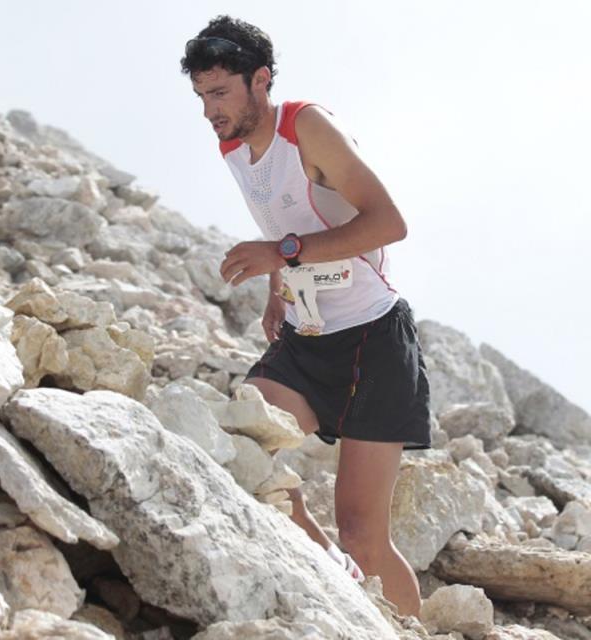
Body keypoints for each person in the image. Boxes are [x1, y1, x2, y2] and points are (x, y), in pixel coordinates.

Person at [181, 15, 432, 618]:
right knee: (244, 439)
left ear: (260, 80)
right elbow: (287, 221)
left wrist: (281, 255)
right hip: (306, 334)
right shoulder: (233, 145)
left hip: (374, 338)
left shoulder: (307, 126)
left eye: (220, 93)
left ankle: (408, 628)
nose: (209, 111)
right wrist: (278, 285)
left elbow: (388, 223)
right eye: (201, 96)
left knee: (363, 534)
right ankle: (330, 575)